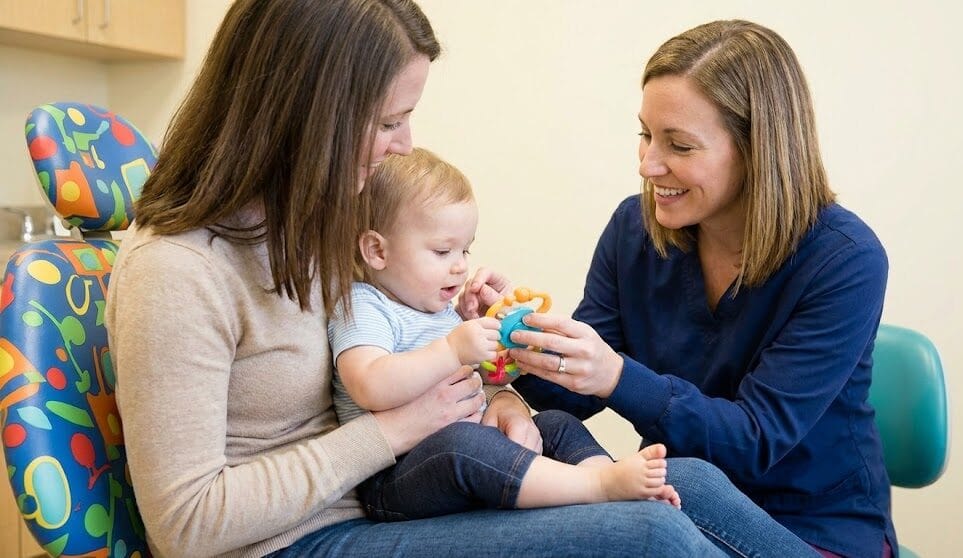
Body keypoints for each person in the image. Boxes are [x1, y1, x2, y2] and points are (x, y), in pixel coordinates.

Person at [105, 2, 819, 556]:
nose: (403, 145)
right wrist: (395, 428)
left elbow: (388, 336)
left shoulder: (315, 230)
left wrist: (468, 333)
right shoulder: (177, 271)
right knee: (647, 538)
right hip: (296, 543)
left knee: (682, 482)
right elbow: (187, 526)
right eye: (388, 120)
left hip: (388, 500)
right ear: (305, 116)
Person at [461, 19, 895, 558]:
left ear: (757, 148)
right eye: (645, 134)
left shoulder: (844, 261)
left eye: (679, 145)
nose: (648, 164)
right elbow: (572, 391)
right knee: (547, 433)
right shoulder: (634, 230)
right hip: (675, 512)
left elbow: (754, 441)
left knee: (682, 482)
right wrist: (508, 341)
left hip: (808, 532)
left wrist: (615, 374)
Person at [328, 147, 681, 521]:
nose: (461, 266)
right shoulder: (363, 306)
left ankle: (607, 478)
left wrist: (504, 348)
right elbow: (369, 385)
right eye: (443, 251)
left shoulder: (441, 310)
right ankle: (596, 487)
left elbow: (486, 380)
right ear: (376, 250)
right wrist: (451, 350)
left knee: (555, 423)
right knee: (465, 445)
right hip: (396, 477)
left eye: (466, 249)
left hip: (472, 446)